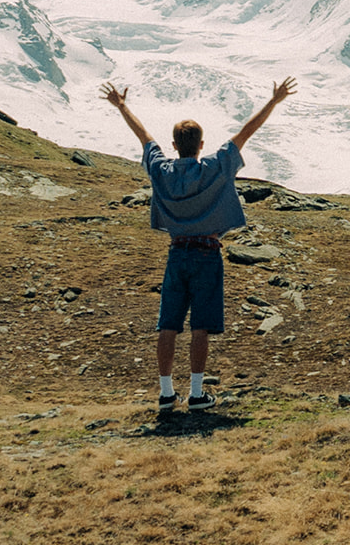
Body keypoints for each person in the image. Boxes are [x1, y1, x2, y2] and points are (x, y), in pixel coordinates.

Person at [101, 77, 296, 411]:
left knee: (168, 324)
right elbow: (247, 132)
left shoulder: (162, 170)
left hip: (177, 253)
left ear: (174, 146)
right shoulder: (216, 166)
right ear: (201, 145)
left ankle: (165, 394)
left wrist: (122, 106)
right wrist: (274, 101)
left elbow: (144, 137)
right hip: (208, 253)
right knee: (201, 326)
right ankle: (195, 393)